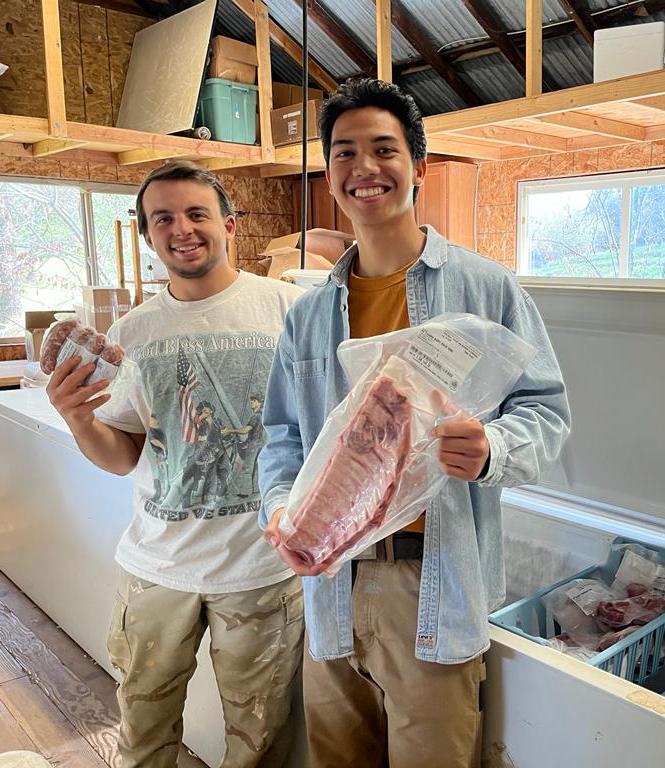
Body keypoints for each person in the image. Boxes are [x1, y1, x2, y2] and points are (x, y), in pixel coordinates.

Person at [258, 78, 571, 768]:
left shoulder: (486, 289)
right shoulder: (307, 314)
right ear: (329, 175)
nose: (363, 168)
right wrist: (279, 505)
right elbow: (281, 438)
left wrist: (492, 447)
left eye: (383, 149)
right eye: (344, 153)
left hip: (434, 583)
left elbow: (547, 413)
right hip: (329, 585)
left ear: (420, 168)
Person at [46, 160, 304, 768]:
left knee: (262, 741)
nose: (181, 229)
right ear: (147, 234)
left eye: (196, 213)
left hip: (262, 569)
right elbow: (123, 454)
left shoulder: (291, 310)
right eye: (163, 218)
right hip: (157, 568)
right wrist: (79, 419)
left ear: (230, 225)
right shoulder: (133, 331)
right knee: (142, 731)